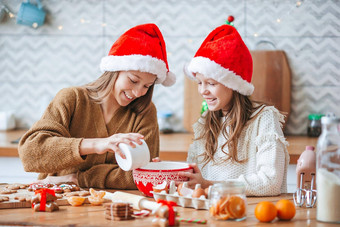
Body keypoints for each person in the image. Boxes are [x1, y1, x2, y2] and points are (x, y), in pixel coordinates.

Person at [18, 23, 176, 189]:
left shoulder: (145, 111)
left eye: (146, 86)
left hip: (112, 206)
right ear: (115, 70)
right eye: (133, 80)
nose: (138, 92)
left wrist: (77, 179)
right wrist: (97, 144)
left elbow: (142, 175)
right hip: (56, 197)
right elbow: (30, 153)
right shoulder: (72, 98)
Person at [180, 24, 289, 196]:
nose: (202, 91)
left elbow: (270, 182)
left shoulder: (263, 119)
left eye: (211, 83)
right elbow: (195, 180)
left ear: (233, 84)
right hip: (213, 216)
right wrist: (165, 171)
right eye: (200, 82)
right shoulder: (204, 122)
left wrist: (210, 185)